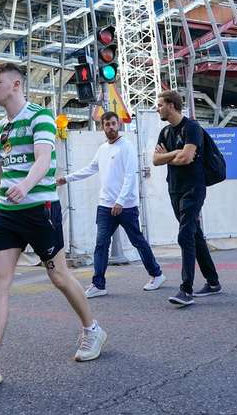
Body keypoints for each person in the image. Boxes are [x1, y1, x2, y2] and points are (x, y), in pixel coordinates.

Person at [0, 63, 106, 389]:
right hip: (8, 214)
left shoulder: (40, 116)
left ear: (16, 84)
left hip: (40, 208)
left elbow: (44, 159)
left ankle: (92, 330)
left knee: (58, 275)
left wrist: (25, 185)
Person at [56, 111, 165, 297]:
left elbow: (131, 176)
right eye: (107, 124)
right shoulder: (103, 149)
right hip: (105, 206)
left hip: (126, 206)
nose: (111, 127)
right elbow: (90, 169)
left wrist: (120, 201)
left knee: (137, 241)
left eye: (114, 123)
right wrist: (66, 178)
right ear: (102, 127)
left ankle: (156, 274)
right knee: (101, 244)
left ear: (119, 124)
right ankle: (98, 284)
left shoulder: (127, 147)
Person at [153, 90, 222, 307]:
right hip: (174, 188)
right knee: (195, 234)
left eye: (160, 105)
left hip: (194, 187)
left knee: (185, 235)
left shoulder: (192, 127)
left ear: (172, 105)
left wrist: (170, 156)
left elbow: (187, 157)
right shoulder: (164, 132)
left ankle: (186, 290)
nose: (158, 108)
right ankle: (213, 282)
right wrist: (175, 154)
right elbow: (155, 160)